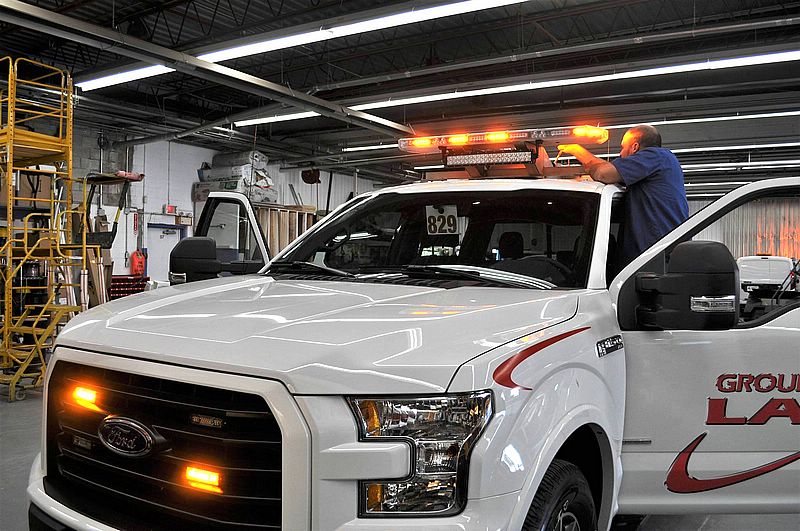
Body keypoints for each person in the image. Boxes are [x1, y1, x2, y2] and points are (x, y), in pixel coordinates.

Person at [558, 124, 688, 264]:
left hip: (654, 260)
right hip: (656, 258)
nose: (620, 154)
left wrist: (583, 158)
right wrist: (580, 154)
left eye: (623, 147)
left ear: (635, 147)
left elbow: (603, 173)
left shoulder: (655, 156)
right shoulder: (659, 164)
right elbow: (608, 169)